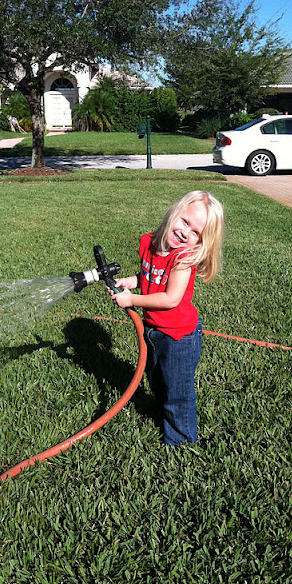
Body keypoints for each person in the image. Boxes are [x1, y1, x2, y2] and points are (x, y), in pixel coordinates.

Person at [109, 191, 224, 447]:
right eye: (185, 222)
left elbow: (171, 298)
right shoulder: (148, 242)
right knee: (157, 380)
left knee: (177, 391)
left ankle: (181, 442)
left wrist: (132, 299)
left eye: (196, 232)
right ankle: (162, 415)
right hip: (153, 330)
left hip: (179, 337)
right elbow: (150, 276)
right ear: (174, 211)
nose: (185, 233)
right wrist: (131, 282)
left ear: (200, 242)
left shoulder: (183, 258)